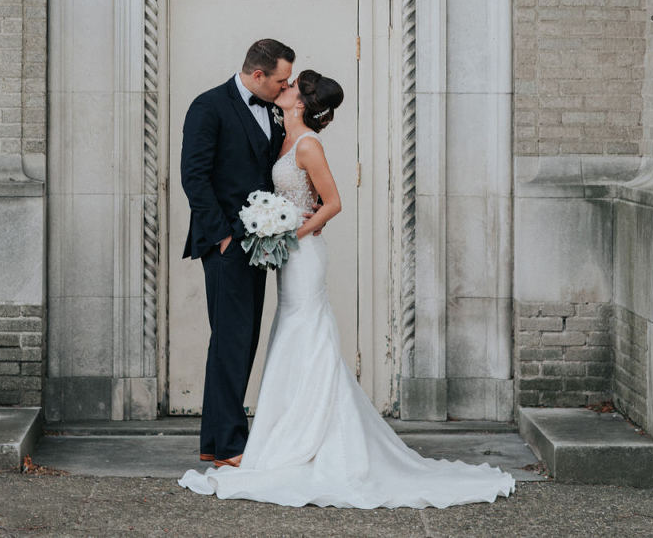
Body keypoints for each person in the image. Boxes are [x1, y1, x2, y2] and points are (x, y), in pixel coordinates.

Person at [179, 71, 516, 509]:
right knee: (288, 332)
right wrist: (272, 223)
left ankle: (313, 436)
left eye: (290, 85)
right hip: (278, 254)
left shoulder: (307, 145)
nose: (283, 88)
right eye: (282, 80)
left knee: (307, 331)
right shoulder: (282, 134)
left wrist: (294, 232)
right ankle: (283, 434)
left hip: (301, 255)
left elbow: (333, 202)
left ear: (300, 101)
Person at [180, 38, 295, 468]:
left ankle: (217, 441)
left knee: (241, 341)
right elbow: (194, 176)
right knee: (230, 341)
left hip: (262, 243)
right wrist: (223, 238)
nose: (285, 88)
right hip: (227, 244)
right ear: (258, 74)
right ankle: (229, 446)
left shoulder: (274, 112)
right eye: (280, 80)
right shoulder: (208, 106)